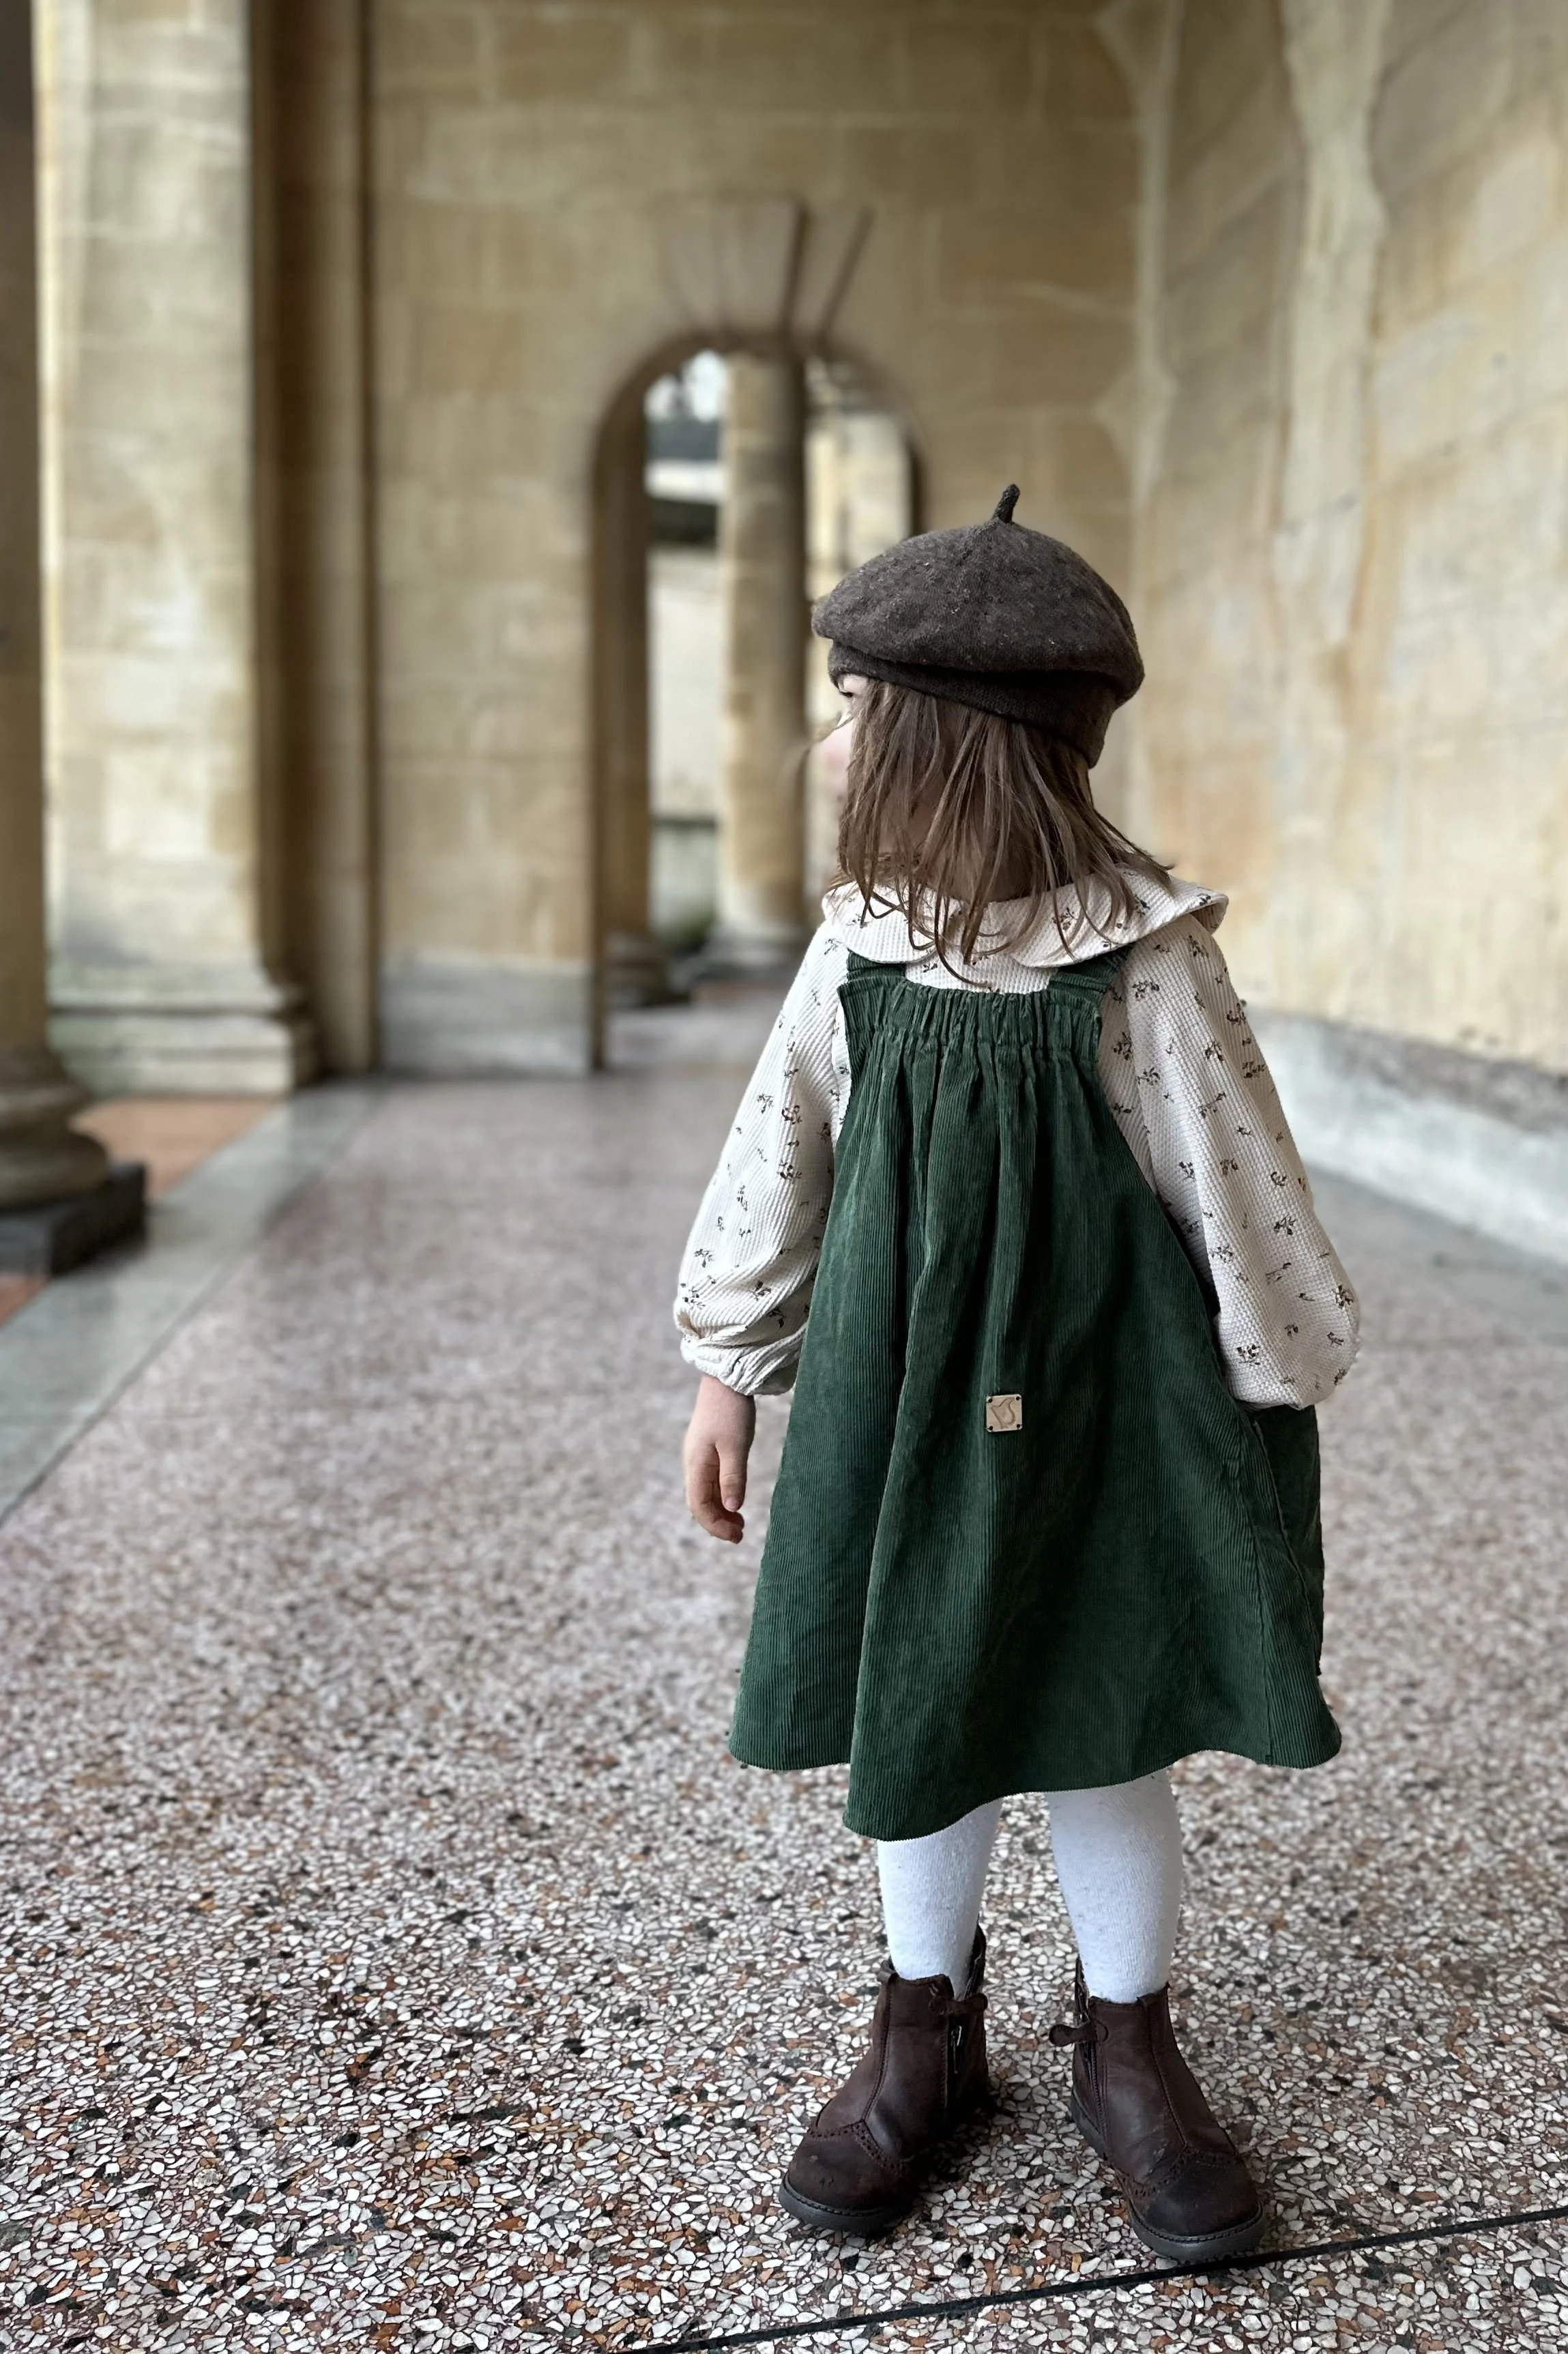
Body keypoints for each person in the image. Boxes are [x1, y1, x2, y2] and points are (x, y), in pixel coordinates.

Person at [673, 488, 1359, 2258]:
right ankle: (926, 2035)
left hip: (1107, 1412)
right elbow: (779, 1152)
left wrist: (1277, 1380)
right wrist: (729, 1371)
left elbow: (1240, 1183)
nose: (819, 741)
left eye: (848, 709)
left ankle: (1129, 2046)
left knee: (1102, 1702)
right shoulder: (859, 949)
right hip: (905, 1401)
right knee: (930, 1694)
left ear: (939, 744)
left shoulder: (1144, 965)